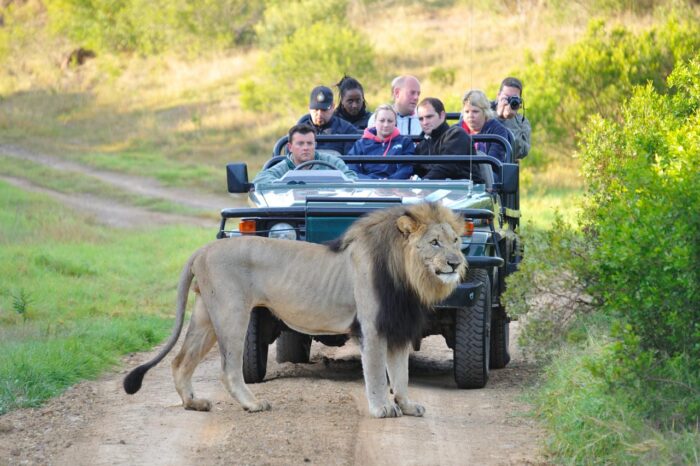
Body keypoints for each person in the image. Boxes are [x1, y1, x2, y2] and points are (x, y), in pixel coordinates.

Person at [252, 124, 357, 186]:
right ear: (290, 147)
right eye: (300, 144)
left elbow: (351, 178)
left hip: (326, 208)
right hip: (295, 213)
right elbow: (259, 180)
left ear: (315, 145)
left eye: (309, 143)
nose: (306, 148)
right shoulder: (283, 167)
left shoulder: (332, 162)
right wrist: (285, 184)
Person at [414, 97, 479, 181]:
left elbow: (448, 166)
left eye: (429, 117)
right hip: (433, 190)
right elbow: (416, 170)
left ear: (442, 115)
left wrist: (424, 182)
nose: (425, 122)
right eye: (421, 119)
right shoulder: (422, 145)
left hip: (465, 189)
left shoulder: (457, 134)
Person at [347, 104, 415, 180]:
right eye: (382, 121)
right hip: (367, 188)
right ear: (375, 121)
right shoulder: (360, 144)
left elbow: (407, 169)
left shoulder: (405, 142)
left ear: (395, 123)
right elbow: (352, 169)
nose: (386, 125)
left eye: (390, 121)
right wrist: (372, 182)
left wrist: (389, 182)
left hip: (395, 188)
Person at [297, 85, 360, 154]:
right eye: (316, 109)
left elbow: (351, 163)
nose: (319, 114)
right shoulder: (298, 131)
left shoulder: (347, 131)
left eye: (324, 110)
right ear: (309, 108)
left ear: (333, 107)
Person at [459, 89, 512, 162]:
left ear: (485, 112)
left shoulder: (498, 131)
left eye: (475, 111)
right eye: (467, 112)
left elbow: (493, 163)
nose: (470, 115)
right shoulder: (457, 130)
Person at [493, 76, 531, 160]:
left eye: (514, 98)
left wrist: (510, 120)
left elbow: (521, 152)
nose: (509, 102)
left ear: (520, 101)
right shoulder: (484, 112)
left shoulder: (522, 122)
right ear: (498, 96)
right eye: (506, 97)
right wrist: (498, 117)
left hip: (505, 169)